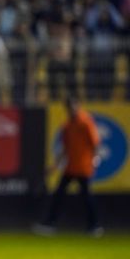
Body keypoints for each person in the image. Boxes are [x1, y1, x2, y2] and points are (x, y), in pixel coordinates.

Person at [33, 96, 103, 237]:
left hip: (83, 168)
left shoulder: (86, 122)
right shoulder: (67, 126)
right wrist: (54, 166)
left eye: (73, 106)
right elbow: (65, 149)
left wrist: (95, 160)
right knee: (58, 196)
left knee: (88, 198)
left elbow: (95, 143)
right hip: (71, 167)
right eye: (69, 107)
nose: (71, 109)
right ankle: (49, 224)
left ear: (78, 105)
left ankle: (94, 227)